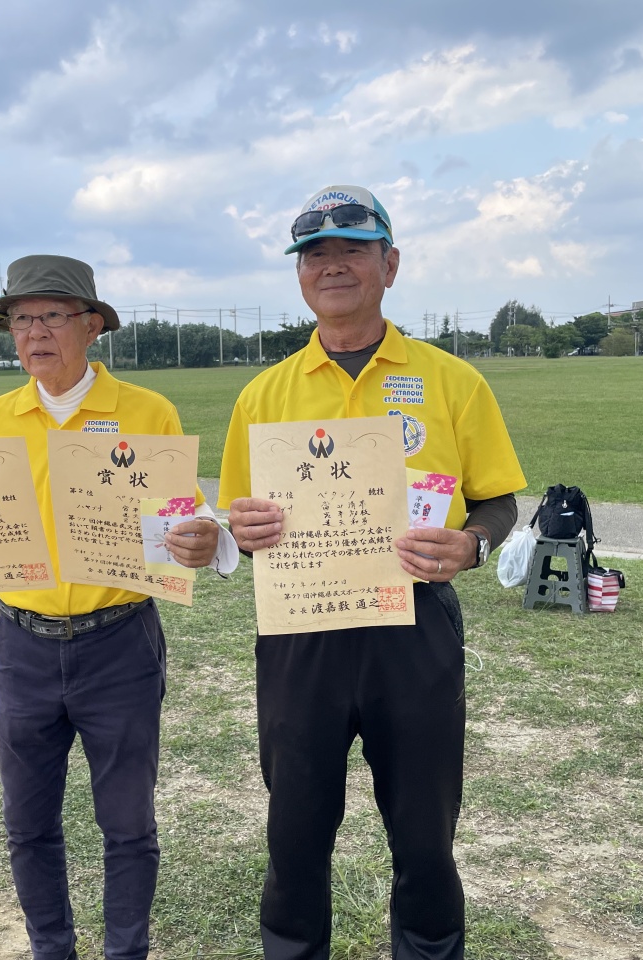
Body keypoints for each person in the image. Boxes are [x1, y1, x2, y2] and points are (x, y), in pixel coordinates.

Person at [0, 254, 237, 960]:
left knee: (128, 824)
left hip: (120, 643)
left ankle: (126, 952)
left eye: (52, 316)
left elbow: (184, 514)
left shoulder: (147, 413)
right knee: (27, 824)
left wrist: (204, 537)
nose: (35, 332)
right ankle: (50, 949)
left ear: (92, 326)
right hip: (22, 647)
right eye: (21, 319)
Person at [219, 185, 525, 960]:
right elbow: (242, 523)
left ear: (390, 264)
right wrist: (244, 533)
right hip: (301, 631)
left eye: (352, 250)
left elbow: (496, 501)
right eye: (315, 254)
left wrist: (472, 545)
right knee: (295, 832)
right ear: (299, 275)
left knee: (425, 835)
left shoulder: (453, 381)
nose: (333, 266)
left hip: (413, 629)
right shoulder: (263, 394)